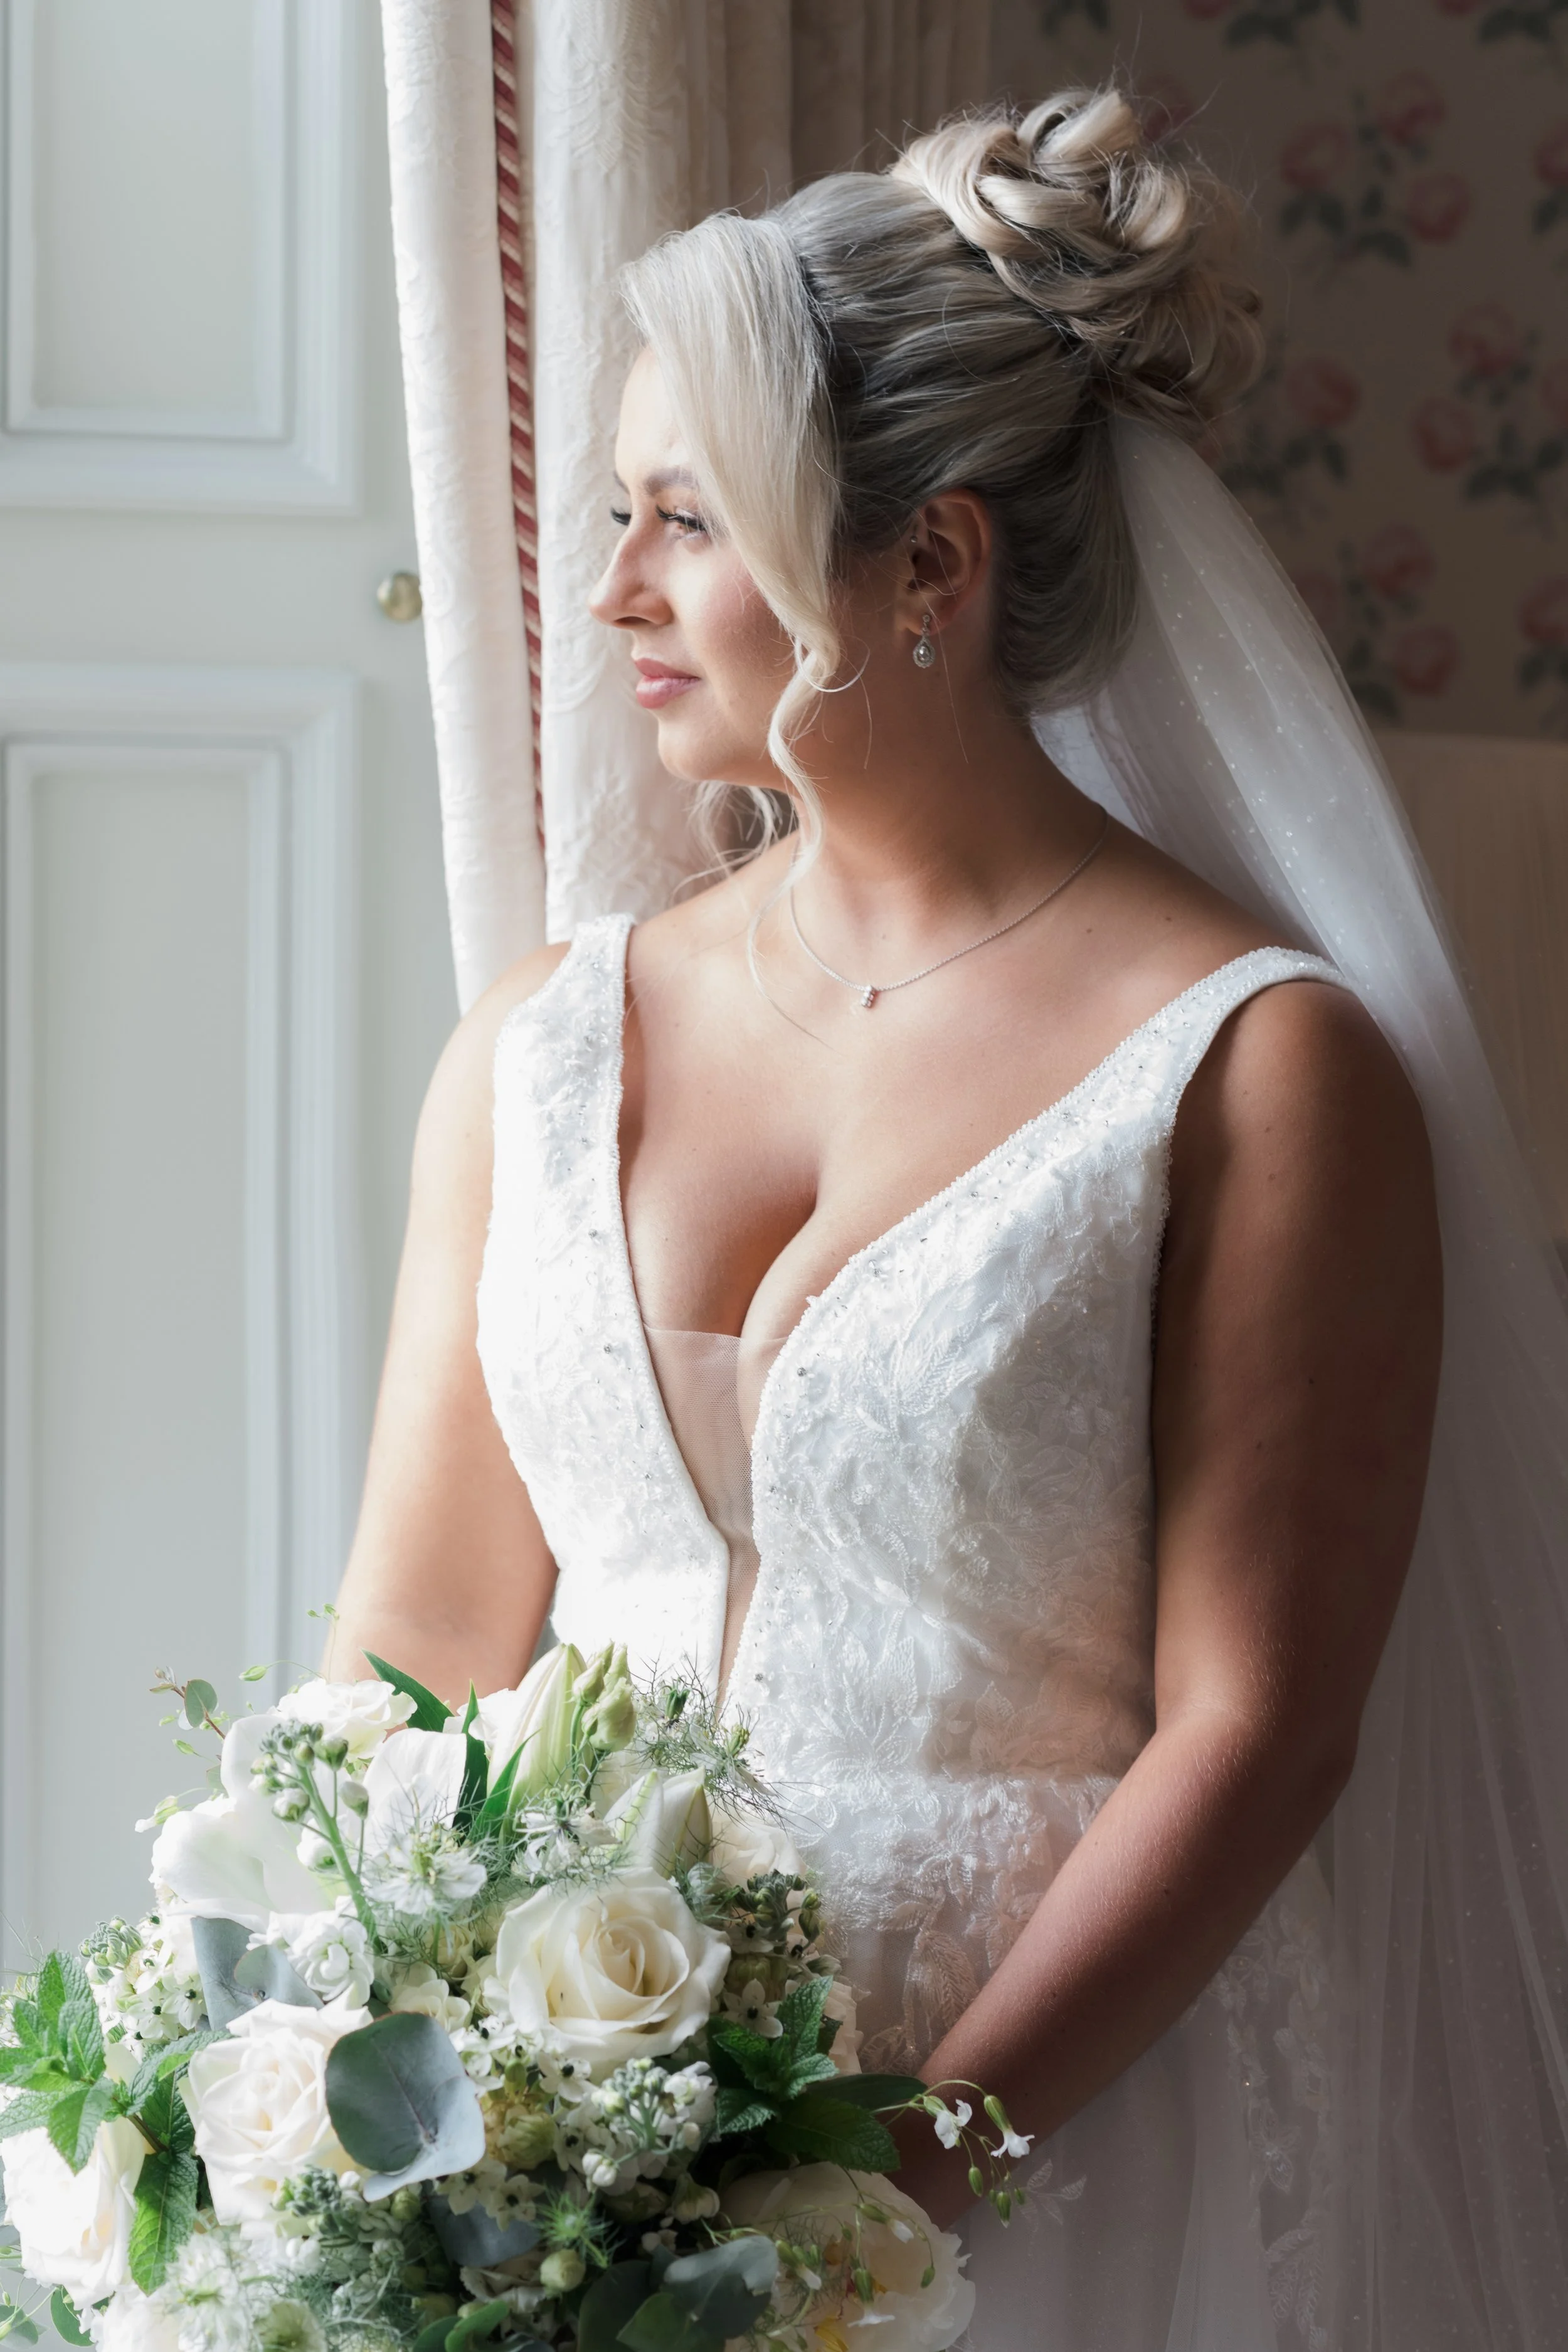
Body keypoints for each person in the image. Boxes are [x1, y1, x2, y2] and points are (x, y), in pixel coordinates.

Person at [328, 88, 1568, 2348]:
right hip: (553, 2160)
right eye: (622, 512)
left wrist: (895, 2186)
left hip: (1072, 2142)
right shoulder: (540, 1039)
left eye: (681, 521)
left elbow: (1259, 1731)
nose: (611, 587)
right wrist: (321, 2068)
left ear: (930, 564)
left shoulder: (1259, 1067)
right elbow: (414, 1647)